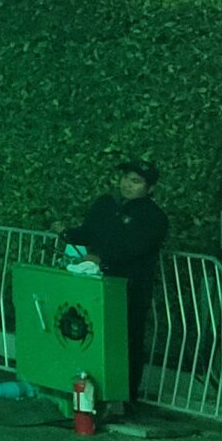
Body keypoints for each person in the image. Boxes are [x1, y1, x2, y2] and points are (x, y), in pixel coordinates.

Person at [63, 158, 169, 407]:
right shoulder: (105, 205)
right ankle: (92, 392)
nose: (127, 186)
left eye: (136, 181)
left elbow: (136, 248)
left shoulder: (154, 217)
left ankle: (124, 397)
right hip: (97, 286)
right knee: (93, 336)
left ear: (150, 188)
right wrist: (68, 233)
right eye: (125, 179)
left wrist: (103, 258)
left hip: (129, 289)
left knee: (127, 341)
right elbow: (89, 231)